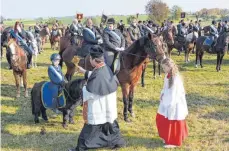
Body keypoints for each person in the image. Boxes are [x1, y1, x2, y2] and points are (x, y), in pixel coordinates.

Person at [68, 45, 125, 151]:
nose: (89, 60)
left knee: (90, 127)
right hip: (109, 103)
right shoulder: (105, 67)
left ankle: (81, 147)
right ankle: (116, 142)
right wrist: (84, 72)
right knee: (110, 123)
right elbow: (97, 76)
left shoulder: (98, 72)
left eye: (90, 58)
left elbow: (90, 91)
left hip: (99, 105)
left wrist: (83, 87)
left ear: (94, 60)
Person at [156, 58, 188, 148]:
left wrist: (170, 105)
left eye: (164, 67)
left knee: (172, 121)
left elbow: (175, 93)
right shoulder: (167, 75)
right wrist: (162, 93)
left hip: (174, 103)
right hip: (167, 100)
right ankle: (166, 136)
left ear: (169, 67)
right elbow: (165, 87)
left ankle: (174, 141)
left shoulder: (175, 78)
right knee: (160, 119)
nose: (163, 69)